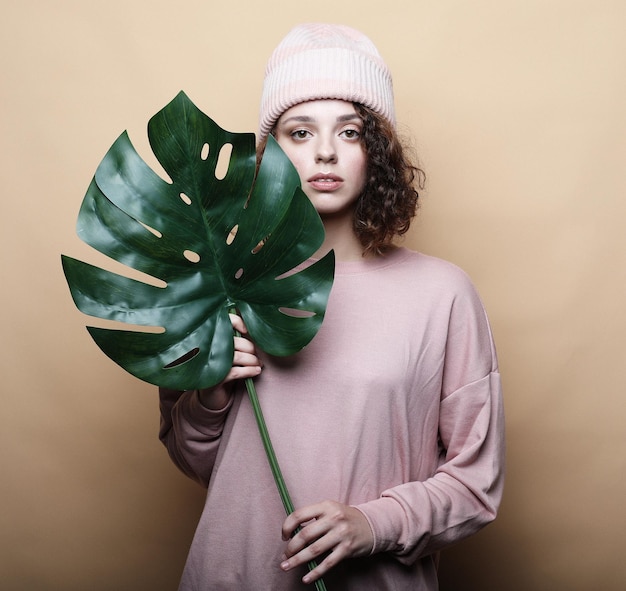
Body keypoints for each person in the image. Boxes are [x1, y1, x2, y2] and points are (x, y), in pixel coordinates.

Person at [159, 23, 505, 590]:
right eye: (299, 132)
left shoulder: (443, 295)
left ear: (378, 152)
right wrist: (211, 396)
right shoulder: (219, 286)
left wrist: (372, 524)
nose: (324, 151)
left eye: (349, 131)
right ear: (269, 153)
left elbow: (475, 484)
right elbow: (199, 462)